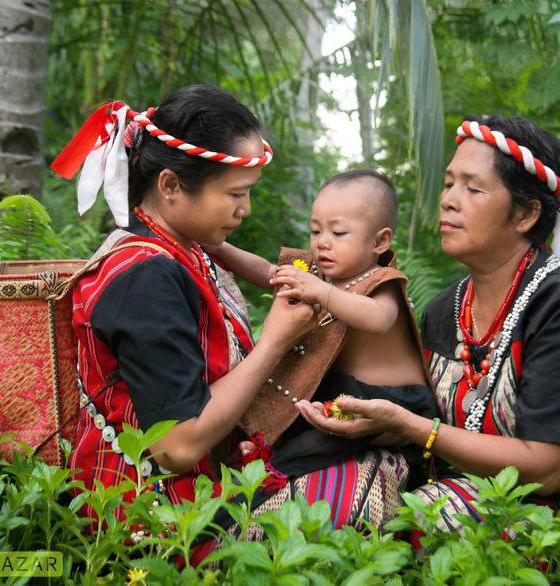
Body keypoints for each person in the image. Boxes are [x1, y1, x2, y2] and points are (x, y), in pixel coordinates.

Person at [297, 116, 560, 579]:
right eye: (450, 182)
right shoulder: (445, 308)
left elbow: (546, 469)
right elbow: (433, 418)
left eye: (473, 189)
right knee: (342, 497)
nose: (449, 199)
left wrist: (409, 427)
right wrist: (377, 425)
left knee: (425, 520)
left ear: (526, 214)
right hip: (512, 496)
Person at [50, 85, 408, 554]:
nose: (246, 209)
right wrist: (274, 343)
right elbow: (177, 447)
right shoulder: (145, 277)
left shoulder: (186, 251)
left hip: (204, 486)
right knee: (374, 477)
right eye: (236, 193)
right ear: (171, 186)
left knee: (372, 457)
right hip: (154, 519)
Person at [208, 169, 437, 477]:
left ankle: (273, 472)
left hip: (393, 400)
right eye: (316, 232)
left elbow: (380, 319)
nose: (323, 243)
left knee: (301, 453)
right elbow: (269, 272)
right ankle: (261, 452)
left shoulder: (383, 281)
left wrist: (321, 291)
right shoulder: (318, 273)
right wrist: (219, 248)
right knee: (293, 421)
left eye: (338, 233)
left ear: (380, 241)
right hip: (338, 394)